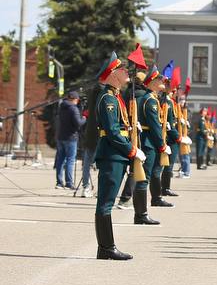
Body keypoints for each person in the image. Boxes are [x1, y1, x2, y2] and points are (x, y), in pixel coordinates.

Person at [91, 53, 141, 261]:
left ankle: (106, 247)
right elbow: (112, 132)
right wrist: (131, 150)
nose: (126, 72)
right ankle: (106, 247)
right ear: (112, 74)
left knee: (107, 201)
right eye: (122, 69)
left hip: (117, 155)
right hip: (113, 155)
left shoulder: (115, 96)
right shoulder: (108, 98)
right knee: (105, 202)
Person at [132, 68, 169, 225]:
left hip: (149, 142)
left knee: (145, 178)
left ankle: (141, 214)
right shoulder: (151, 100)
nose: (163, 82)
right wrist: (161, 145)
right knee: (143, 179)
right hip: (149, 143)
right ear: (153, 81)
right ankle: (141, 215)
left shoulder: (151, 98)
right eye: (160, 79)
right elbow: (154, 126)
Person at [54, 91, 85, 189]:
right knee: (70, 160)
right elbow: (78, 123)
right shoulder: (73, 109)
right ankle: (69, 183)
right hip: (71, 138)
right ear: (75, 99)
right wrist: (84, 118)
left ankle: (59, 182)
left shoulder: (62, 107)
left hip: (61, 136)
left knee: (60, 160)